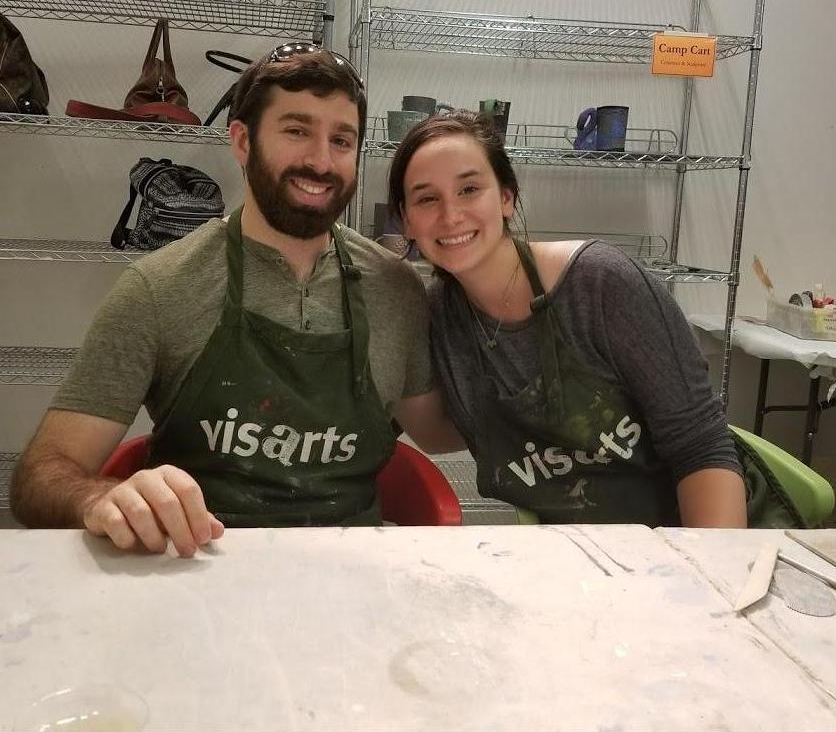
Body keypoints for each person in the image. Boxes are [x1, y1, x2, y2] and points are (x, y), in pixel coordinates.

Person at [11, 43, 463, 555]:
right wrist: (98, 497)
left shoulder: (395, 288)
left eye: (341, 140)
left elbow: (438, 433)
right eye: (296, 131)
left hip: (351, 565)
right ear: (243, 141)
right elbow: (40, 477)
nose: (321, 161)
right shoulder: (158, 289)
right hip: (200, 565)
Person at [387, 110, 748, 528]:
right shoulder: (432, 319)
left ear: (506, 197)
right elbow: (435, 434)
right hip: (569, 552)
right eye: (427, 199)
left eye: (469, 189)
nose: (451, 216)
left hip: (681, 537)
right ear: (406, 220)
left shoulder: (600, 284)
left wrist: (704, 565)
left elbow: (701, 447)